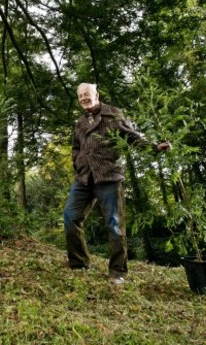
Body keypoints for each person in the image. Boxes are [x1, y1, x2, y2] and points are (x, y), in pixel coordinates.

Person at [64, 83, 170, 284]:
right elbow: (75, 147)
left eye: (87, 94)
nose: (83, 98)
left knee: (114, 225)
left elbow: (132, 137)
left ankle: (118, 272)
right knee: (71, 216)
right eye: (80, 96)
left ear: (96, 94)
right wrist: (78, 163)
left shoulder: (113, 114)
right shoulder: (79, 122)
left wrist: (154, 147)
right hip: (84, 178)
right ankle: (78, 263)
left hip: (109, 177)